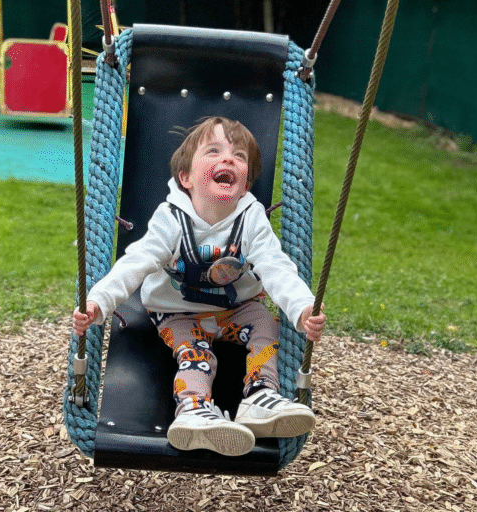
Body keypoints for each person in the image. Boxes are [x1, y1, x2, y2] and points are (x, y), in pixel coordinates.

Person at [73, 117, 326, 457]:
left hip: (236, 309)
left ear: (245, 185)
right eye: (214, 151)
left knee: (267, 326)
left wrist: (303, 307)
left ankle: (260, 396)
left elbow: (275, 267)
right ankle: (193, 410)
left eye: (239, 156)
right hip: (177, 312)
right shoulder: (171, 219)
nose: (228, 159)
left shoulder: (251, 219)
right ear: (186, 178)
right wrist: (99, 301)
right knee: (196, 354)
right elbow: (136, 262)